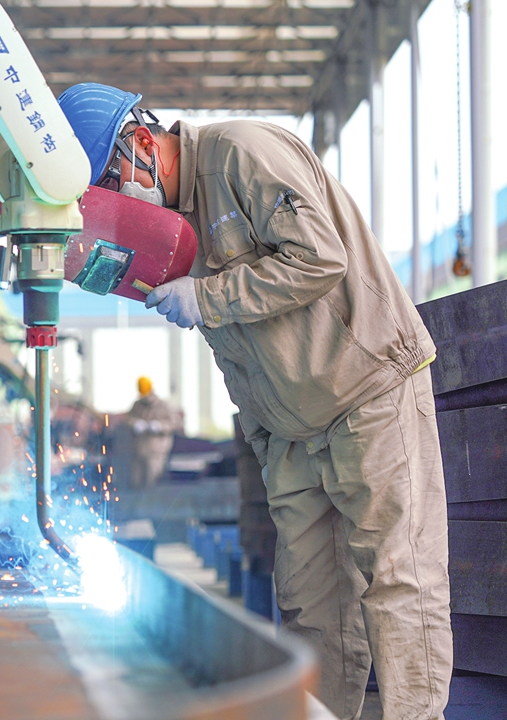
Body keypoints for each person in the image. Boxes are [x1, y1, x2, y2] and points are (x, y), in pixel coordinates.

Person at [58, 83, 451, 720]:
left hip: (367, 395)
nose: (117, 203)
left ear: (141, 143)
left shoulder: (242, 153)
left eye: (111, 185)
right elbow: (240, 348)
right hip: (293, 431)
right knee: (309, 606)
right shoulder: (171, 230)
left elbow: (320, 259)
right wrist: (265, 439)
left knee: (398, 582)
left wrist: (206, 296)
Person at [125, 376, 182, 488]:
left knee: (152, 483)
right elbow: (128, 419)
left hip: (156, 453)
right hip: (139, 451)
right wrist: (135, 423)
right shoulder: (137, 405)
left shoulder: (164, 406)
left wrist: (159, 426)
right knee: (136, 483)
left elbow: (175, 423)